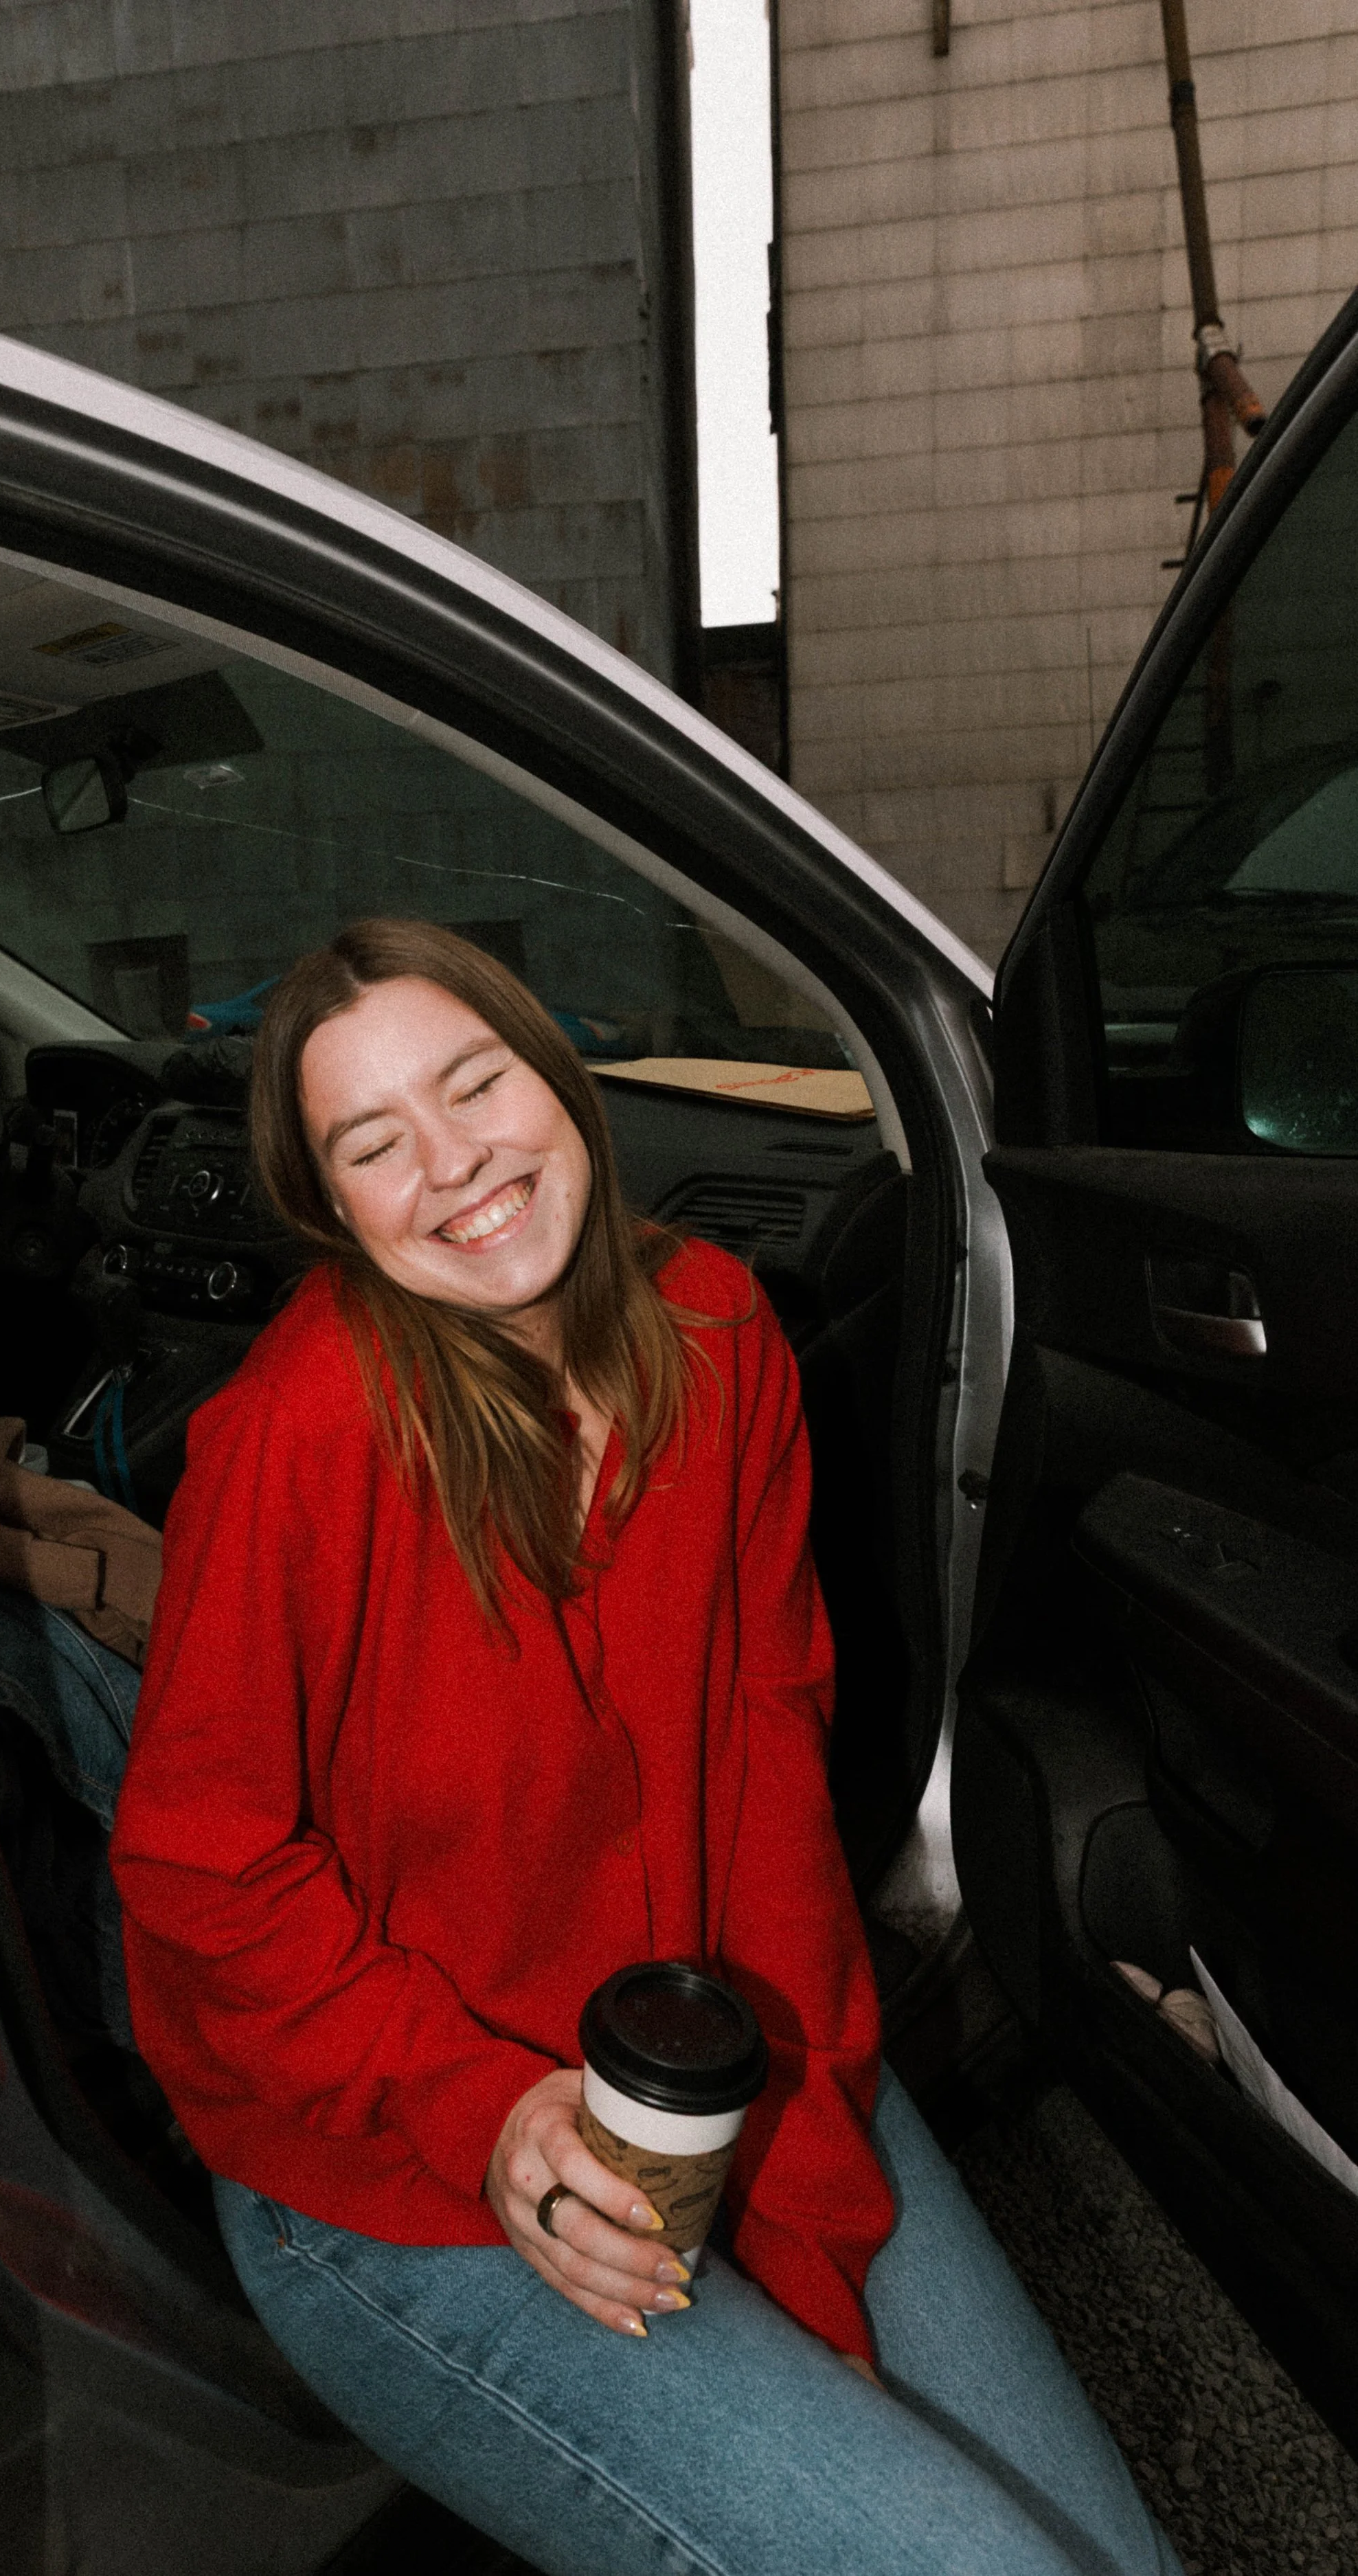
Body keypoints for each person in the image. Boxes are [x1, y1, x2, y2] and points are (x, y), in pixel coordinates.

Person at [110, 920, 1180, 2576]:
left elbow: (766, 1764)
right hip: (391, 2155)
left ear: (557, 1077)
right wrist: (484, 2112)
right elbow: (199, 1871)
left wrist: (797, 2205)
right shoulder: (299, 1441)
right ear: (332, 1215)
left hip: (716, 2043)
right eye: (373, 1144)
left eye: (474, 1082)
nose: (454, 1161)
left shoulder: (715, 1329)